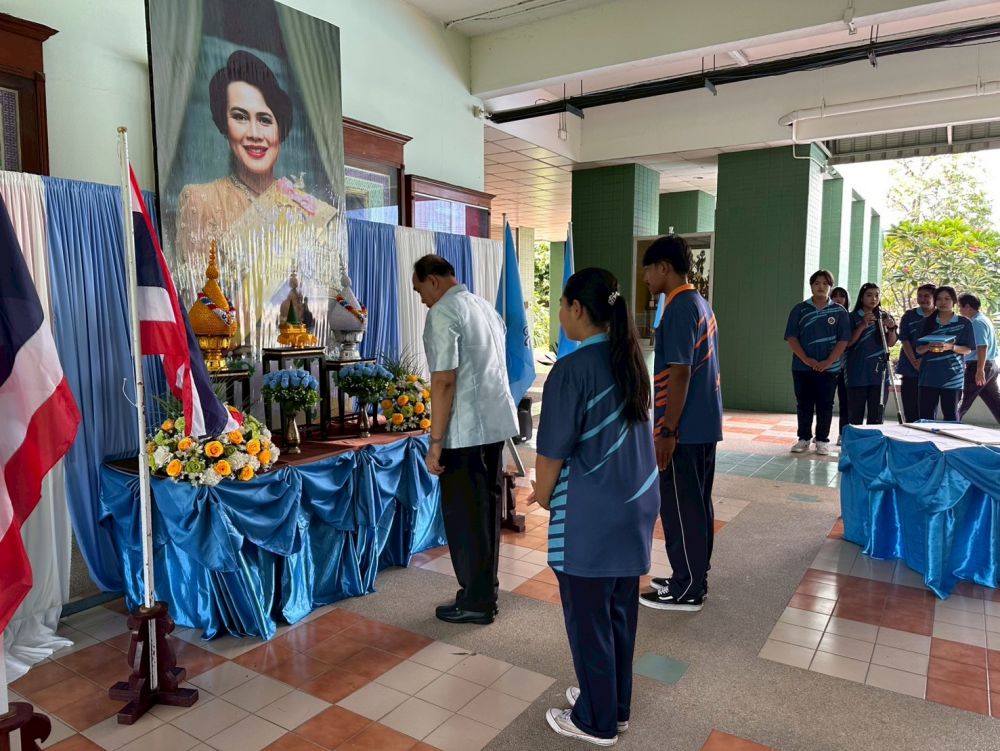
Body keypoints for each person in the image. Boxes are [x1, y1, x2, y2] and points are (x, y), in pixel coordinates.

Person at [532, 268, 658, 746]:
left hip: (591, 514)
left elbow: (551, 455)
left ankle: (596, 721)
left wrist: (543, 496)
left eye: (562, 305)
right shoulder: (631, 360)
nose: (559, 314)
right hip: (635, 506)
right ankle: (613, 705)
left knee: (588, 620)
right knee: (618, 612)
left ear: (578, 309)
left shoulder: (572, 369)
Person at [413, 255, 518, 625]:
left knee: (465, 518)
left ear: (433, 280)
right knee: (486, 514)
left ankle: (475, 600)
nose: (422, 300)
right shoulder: (484, 306)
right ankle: (484, 592)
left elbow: (444, 380)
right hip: (494, 426)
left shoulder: (443, 312)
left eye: (420, 291)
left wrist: (435, 442)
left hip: (465, 433)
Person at [176, 50, 338, 265]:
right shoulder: (200, 201)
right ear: (224, 126)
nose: (254, 133)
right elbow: (196, 284)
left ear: (280, 130)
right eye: (240, 117)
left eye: (265, 120)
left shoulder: (308, 208)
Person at [639, 235, 722, 612]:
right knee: (697, 504)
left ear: (664, 268)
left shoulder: (677, 308)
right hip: (704, 423)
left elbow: (680, 372)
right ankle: (693, 575)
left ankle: (687, 587)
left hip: (684, 429)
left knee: (679, 507)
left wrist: (668, 430)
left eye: (648, 270)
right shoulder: (700, 303)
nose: (645, 278)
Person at [784, 270, 852, 455]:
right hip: (802, 367)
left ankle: (822, 440)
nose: (821, 286)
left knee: (825, 404)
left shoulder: (839, 311)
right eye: (817, 283)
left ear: (830, 287)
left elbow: (843, 340)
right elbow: (791, 337)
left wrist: (828, 361)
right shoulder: (800, 309)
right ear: (811, 286)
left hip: (829, 369)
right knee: (804, 403)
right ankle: (803, 438)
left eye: (825, 283)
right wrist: (806, 359)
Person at [915, 286, 975, 421]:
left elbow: (968, 349)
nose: (943, 302)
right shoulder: (925, 322)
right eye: (939, 299)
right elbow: (918, 349)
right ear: (935, 301)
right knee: (925, 418)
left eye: (947, 299)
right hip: (928, 377)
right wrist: (928, 347)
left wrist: (951, 347)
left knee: (951, 417)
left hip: (953, 378)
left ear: (954, 301)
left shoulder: (964, 323)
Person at [845, 283, 897, 425]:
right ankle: (855, 439)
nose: (873, 299)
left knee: (876, 416)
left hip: (879, 374)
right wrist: (863, 325)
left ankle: (873, 439)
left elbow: (891, 343)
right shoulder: (852, 317)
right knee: (855, 415)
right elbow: (847, 343)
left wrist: (891, 328)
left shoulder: (884, 316)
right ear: (862, 298)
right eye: (869, 295)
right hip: (858, 372)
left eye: (876, 295)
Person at [896, 284, 936, 422]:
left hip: (932, 370)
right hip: (910, 368)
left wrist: (923, 362)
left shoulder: (940, 317)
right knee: (910, 409)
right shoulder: (909, 316)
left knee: (928, 413)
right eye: (920, 296)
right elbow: (905, 340)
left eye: (926, 296)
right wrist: (914, 362)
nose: (922, 299)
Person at [958, 294, 1000, 422]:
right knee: (996, 403)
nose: (959, 310)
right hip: (990, 366)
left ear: (967, 307)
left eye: (960, 307)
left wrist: (980, 370)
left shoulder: (976, 323)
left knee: (961, 402)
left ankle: (947, 425)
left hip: (979, 366)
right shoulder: (983, 319)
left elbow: (982, 346)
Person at [830, 287, 851, 443]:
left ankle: (843, 435)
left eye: (842, 296)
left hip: (845, 368)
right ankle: (820, 434)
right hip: (828, 367)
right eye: (835, 296)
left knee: (845, 402)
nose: (838, 299)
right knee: (825, 402)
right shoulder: (825, 316)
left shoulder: (850, 318)